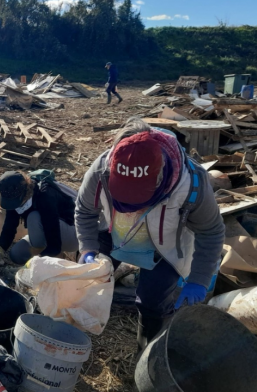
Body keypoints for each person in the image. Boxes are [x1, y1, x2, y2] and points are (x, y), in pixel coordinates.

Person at [74, 118, 224, 350]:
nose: (130, 205)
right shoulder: (101, 169)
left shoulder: (192, 184)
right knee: (88, 283)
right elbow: (84, 210)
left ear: (160, 177)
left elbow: (211, 231)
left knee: (152, 303)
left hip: (165, 245)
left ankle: (146, 354)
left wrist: (198, 279)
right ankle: (80, 335)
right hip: (114, 232)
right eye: (122, 195)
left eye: (138, 197)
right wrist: (87, 247)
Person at [0, 171, 78, 270]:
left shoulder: (45, 197)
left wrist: (27, 268)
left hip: (72, 234)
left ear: (25, 193)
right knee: (16, 255)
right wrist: (0, 249)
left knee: (33, 217)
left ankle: (52, 259)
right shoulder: (14, 196)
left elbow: (54, 245)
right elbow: (9, 227)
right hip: (47, 231)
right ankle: (43, 257)